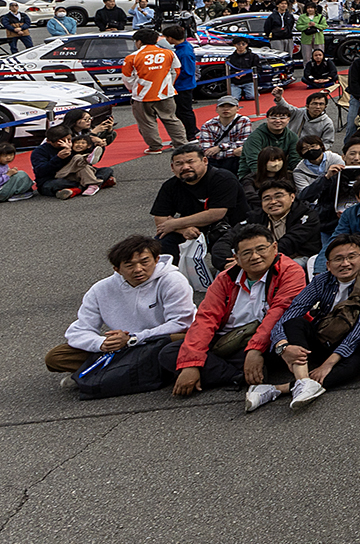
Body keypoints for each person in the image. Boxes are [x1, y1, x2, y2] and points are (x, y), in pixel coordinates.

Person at [164, 224, 309, 411]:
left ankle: (222, 370)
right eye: (247, 253)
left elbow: (279, 312)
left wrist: (255, 350)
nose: (255, 257)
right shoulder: (225, 278)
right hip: (229, 338)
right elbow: (206, 318)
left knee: (265, 350)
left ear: (274, 248)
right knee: (168, 353)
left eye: (261, 249)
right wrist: (191, 364)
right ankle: (239, 376)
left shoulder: (290, 271)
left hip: (269, 338)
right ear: (236, 258)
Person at [46, 235, 195, 395]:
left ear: (156, 259)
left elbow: (181, 323)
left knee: (182, 340)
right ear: (117, 269)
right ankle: (128, 372)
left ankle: (101, 373)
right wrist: (102, 343)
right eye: (129, 265)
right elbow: (78, 330)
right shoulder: (100, 289)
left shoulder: (172, 280)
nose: (138, 269)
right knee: (56, 357)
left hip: (158, 341)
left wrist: (133, 339)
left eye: (145, 262)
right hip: (122, 348)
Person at [267, 233, 360, 408]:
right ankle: (303, 383)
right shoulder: (321, 280)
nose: (345, 263)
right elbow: (290, 314)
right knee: (294, 323)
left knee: (349, 369)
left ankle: (278, 389)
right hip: (325, 336)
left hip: (357, 343)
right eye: (338, 259)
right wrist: (282, 346)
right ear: (328, 265)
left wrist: (328, 364)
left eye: (351, 257)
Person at [150, 144, 244, 268]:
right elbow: (160, 219)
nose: (185, 167)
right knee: (162, 242)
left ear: (204, 161)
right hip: (192, 228)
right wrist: (182, 230)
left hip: (230, 227)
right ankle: (171, 275)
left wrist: (174, 223)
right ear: (172, 167)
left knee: (221, 253)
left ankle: (231, 275)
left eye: (191, 162)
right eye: (179, 164)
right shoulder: (170, 186)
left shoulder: (223, 179)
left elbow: (216, 213)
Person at [122, 27, 187, 154]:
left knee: (146, 122)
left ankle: (155, 146)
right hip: (166, 93)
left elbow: (127, 78)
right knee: (171, 119)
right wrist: (169, 85)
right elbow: (176, 71)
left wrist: (133, 89)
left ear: (139, 42)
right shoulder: (169, 53)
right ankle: (181, 143)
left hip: (142, 96)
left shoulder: (132, 57)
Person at [245, 177, 327, 260]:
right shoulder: (256, 216)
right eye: (267, 199)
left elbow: (290, 242)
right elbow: (240, 235)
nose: (273, 202)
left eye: (278, 196)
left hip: (301, 257)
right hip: (266, 256)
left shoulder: (306, 215)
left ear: (292, 197)